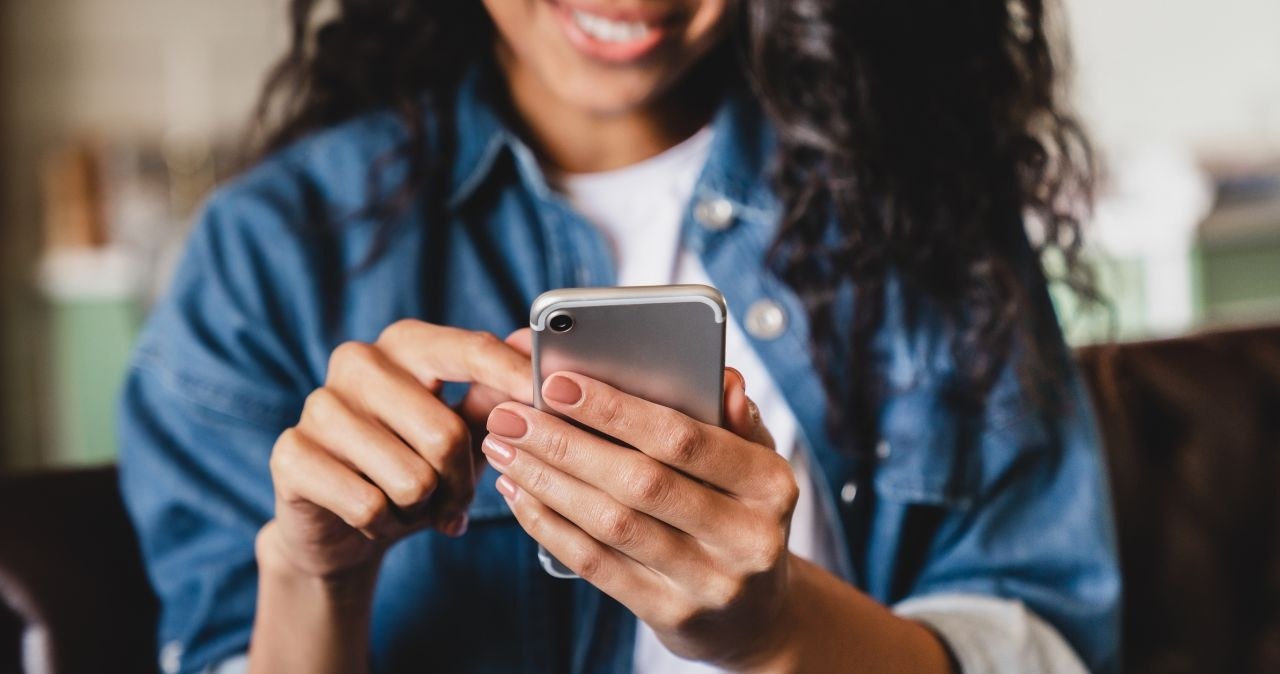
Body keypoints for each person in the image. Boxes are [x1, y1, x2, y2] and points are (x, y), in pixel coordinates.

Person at [118, 1, 1121, 673]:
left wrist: (773, 631)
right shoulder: (273, 251)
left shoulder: (921, 198)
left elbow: (1038, 635)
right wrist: (312, 573)